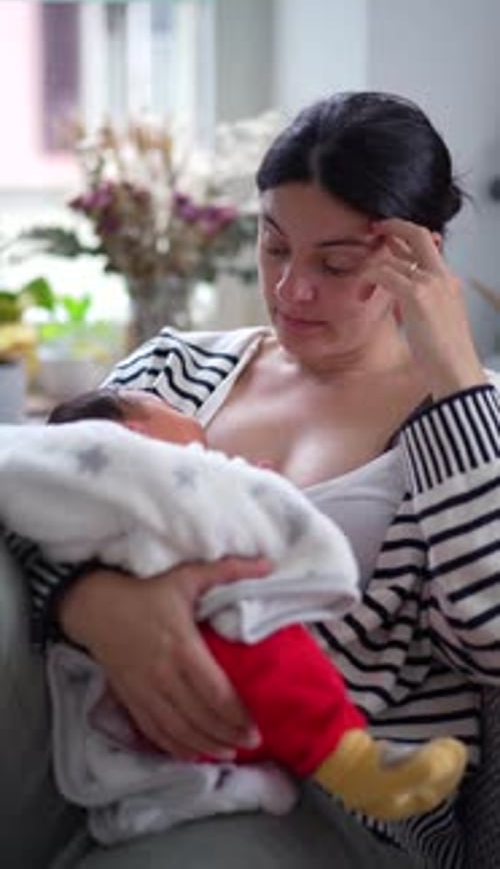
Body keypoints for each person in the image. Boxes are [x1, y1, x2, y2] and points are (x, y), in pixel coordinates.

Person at [6, 90, 500, 869]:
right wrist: (93, 601)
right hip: (95, 729)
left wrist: (455, 381)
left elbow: (491, 637)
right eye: (275, 247)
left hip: (324, 792)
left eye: (337, 263)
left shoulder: (475, 420)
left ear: (421, 256)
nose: (291, 289)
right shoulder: (175, 369)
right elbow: (32, 493)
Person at [12, 386, 461, 842]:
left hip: (329, 788)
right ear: (133, 434)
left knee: (263, 641)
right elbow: (38, 485)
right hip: (126, 690)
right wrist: (83, 596)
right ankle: (343, 757)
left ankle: (346, 760)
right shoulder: (164, 389)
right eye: (161, 404)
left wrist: (249, 492)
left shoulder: (459, 405)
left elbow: (487, 628)